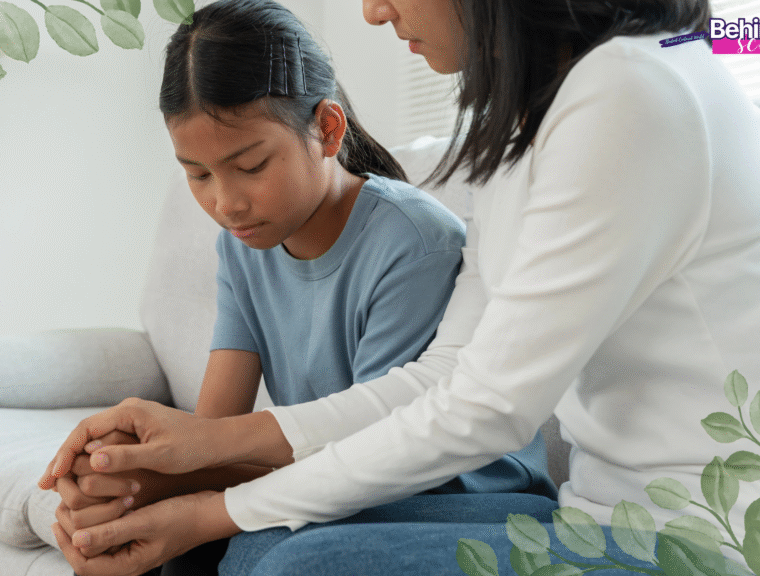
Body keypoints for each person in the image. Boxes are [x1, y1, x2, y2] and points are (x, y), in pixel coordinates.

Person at [41, 0, 760, 574]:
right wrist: (200, 450)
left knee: (294, 565)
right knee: (255, 548)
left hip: (722, 541)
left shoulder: (634, 88)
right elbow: (446, 373)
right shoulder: (533, 119)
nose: (372, 12)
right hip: (601, 517)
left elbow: (488, 411)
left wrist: (207, 506)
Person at [39, 0, 556, 573]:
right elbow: (211, 437)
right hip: (340, 481)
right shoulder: (242, 246)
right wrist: (123, 482)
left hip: (456, 497)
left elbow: (381, 455)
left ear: (327, 129)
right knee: (155, 541)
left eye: (252, 165)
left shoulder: (413, 242)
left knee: (249, 548)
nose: (226, 203)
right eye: (199, 175)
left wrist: (161, 484)